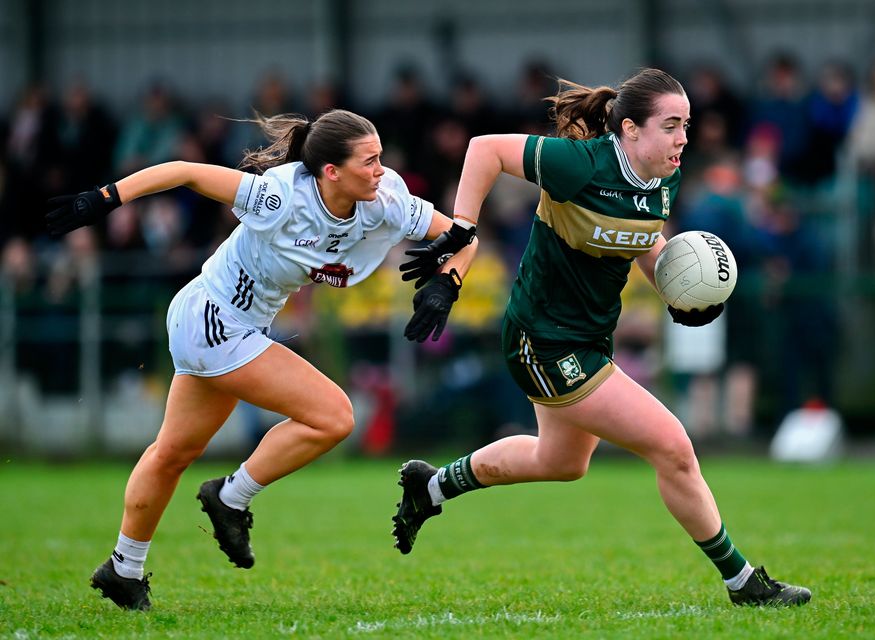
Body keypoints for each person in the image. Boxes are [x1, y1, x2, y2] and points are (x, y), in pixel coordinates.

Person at [391, 68, 811, 607]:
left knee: (562, 462)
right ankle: (743, 582)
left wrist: (675, 292)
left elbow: (641, 240)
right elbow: (484, 148)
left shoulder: (664, 178)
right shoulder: (581, 164)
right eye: (671, 125)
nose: (683, 138)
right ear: (630, 129)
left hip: (588, 337)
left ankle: (430, 487)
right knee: (673, 447)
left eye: (686, 125)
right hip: (542, 340)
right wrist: (461, 232)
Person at [44, 109, 477, 611]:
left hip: (235, 327)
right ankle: (230, 497)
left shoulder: (386, 200)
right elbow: (185, 171)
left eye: (380, 157)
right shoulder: (280, 197)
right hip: (214, 317)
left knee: (172, 454)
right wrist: (105, 197)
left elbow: (464, 236)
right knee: (334, 416)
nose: (382, 170)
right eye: (370, 160)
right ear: (331, 172)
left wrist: (448, 283)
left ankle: (124, 568)